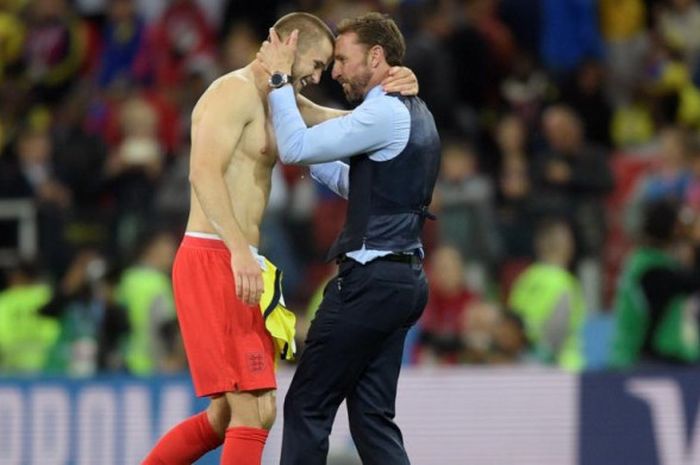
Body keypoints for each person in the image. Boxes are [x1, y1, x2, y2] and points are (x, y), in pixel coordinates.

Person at [142, 12, 418, 465]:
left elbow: (341, 122)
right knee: (256, 411)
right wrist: (236, 251)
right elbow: (202, 173)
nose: (318, 76)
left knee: (223, 418)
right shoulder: (229, 91)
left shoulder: (276, 96)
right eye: (316, 63)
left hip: (239, 258)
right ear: (290, 45)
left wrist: (395, 92)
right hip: (216, 255)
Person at [258, 12, 441, 465]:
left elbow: (296, 145)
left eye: (343, 59)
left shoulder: (383, 111)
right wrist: (312, 154)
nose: (335, 71)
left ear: (376, 56)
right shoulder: (412, 112)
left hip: (369, 281)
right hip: (403, 281)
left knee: (308, 404)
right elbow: (359, 184)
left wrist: (280, 79)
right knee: (371, 418)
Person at [610, 199, 700, 369]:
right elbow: (689, 282)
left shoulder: (643, 261)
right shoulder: (652, 271)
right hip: (646, 361)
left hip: (645, 358)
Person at [508, 218, 587, 371]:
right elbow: (558, 329)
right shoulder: (564, 283)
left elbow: (512, 324)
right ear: (566, 246)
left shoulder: (524, 280)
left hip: (523, 364)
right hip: (562, 367)